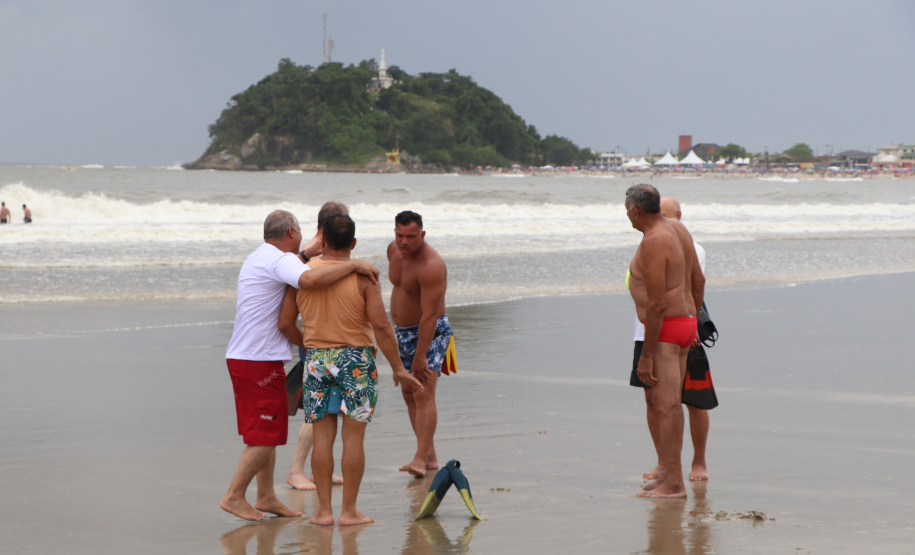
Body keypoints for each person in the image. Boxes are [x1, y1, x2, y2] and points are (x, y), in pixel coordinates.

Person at [221, 209, 380, 522]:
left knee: (269, 431)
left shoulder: (262, 255)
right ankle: (234, 496)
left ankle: (265, 496)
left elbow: (301, 264)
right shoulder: (284, 263)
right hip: (258, 359)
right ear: (292, 233)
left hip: (251, 356)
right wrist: (355, 264)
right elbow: (307, 278)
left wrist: (311, 252)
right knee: (266, 436)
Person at [277, 214, 423, 526]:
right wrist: (398, 368)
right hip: (356, 361)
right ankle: (349, 512)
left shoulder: (300, 274)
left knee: (322, 436)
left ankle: (324, 512)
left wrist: (312, 345)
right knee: (353, 439)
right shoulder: (363, 276)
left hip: (317, 360)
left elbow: (285, 323)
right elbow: (382, 326)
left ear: (323, 241)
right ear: (353, 244)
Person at [625, 185, 705, 498]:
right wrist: (693, 319)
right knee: (666, 405)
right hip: (683, 325)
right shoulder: (679, 229)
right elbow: (698, 280)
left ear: (635, 211)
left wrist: (646, 356)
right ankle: (669, 476)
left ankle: (674, 484)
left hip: (666, 331)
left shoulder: (654, 241)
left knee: (667, 405)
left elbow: (656, 303)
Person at [285, 201, 349, 491]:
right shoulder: (315, 254)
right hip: (316, 341)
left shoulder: (325, 251)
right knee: (316, 411)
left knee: (328, 411)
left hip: (324, 340)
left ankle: (318, 470)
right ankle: (296, 470)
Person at [387, 210, 452, 477]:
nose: (404, 241)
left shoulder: (432, 265)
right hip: (401, 333)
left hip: (430, 332)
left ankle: (419, 459)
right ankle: (430, 456)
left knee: (423, 392)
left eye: (411, 236)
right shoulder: (393, 250)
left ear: (422, 235)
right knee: (407, 393)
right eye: (400, 235)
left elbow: (430, 315)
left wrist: (421, 356)